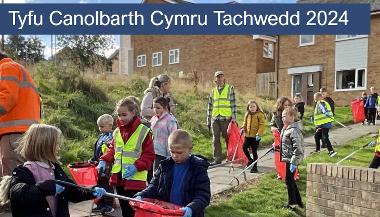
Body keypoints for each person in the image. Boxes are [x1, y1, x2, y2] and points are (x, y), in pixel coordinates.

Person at [3, 124, 106, 217]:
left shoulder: (55, 169)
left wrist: (91, 191)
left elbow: (72, 191)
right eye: (56, 144)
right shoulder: (25, 171)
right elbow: (18, 194)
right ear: (44, 146)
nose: (59, 147)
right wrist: (45, 188)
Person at [98, 97, 155, 217]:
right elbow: (113, 150)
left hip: (136, 180)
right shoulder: (117, 131)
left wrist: (136, 167)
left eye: (124, 114)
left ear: (133, 112)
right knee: (125, 210)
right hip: (119, 179)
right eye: (119, 115)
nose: (121, 118)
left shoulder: (144, 131)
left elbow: (149, 155)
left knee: (135, 212)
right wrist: (103, 160)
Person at [135, 129, 211, 217]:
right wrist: (141, 195)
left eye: (179, 152)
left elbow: (203, 195)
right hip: (166, 213)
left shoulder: (198, 168)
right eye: (172, 151)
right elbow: (153, 186)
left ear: (190, 149)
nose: (175, 155)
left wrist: (191, 208)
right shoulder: (164, 166)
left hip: (186, 214)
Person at [0, 50, 41, 177]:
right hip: (23, 133)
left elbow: (7, 98)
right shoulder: (18, 69)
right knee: (25, 177)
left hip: (13, 134)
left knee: (12, 179)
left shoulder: (6, 67)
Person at [207, 71, 237, 165]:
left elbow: (233, 103)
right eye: (217, 77)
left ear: (224, 78)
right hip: (215, 118)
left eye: (221, 77)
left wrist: (234, 117)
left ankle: (230, 156)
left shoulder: (229, 88)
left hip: (226, 118)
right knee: (215, 139)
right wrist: (208, 119)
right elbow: (210, 106)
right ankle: (217, 159)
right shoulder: (213, 91)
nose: (219, 79)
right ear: (215, 79)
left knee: (227, 138)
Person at [88, 114, 115, 214]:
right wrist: (93, 159)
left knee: (107, 185)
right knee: (99, 185)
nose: (100, 128)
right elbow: (97, 151)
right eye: (99, 126)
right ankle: (100, 204)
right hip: (99, 166)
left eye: (102, 126)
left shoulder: (112, 137)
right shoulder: (101, 137)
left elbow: (111, 152)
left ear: (110, 125)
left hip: (108, 167)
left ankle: (109, 205)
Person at [280, 107, 304, 209]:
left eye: (285, 116)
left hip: (292, 160)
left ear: (292, 116)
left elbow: (298, 148)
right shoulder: (287, 128)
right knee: (291, 180)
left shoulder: (294, 130)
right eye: (282, 117)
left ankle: (292, 203)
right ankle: (298, 202)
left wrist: (294, 162)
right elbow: (286, 143)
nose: (283, 118)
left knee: (289, 180)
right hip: (289, 159)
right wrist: (277, 148)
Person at [150, 97, 179, 173]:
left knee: (161, 174)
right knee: (155, 175)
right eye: (154, 107)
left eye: (158, 108)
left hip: (164, 153)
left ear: (165, 108)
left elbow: (174, 138)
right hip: (153, 151)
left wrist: (171, 154)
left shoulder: (170, 120)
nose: (155, 110)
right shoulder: (153, 119)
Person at [270, 97, 293, 179]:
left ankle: (293, 174)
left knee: (289, 157)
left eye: (288, 105)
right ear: (280, 105)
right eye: (285, 105)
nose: (287, 107)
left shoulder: (292, 114)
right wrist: (274, 129)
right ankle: (280, 173)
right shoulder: (275, 115)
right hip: (279, 138)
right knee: (279, 157)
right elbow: (272, 125)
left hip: (289, 138)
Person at [241, 100, 265, 173]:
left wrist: (259, 134)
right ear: (248, 107)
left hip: (255, 136)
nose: (252, 108)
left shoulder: (260, 115)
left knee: (254, 151)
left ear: (257, 107)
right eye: (250, 106)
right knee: (244, 147)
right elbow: (245, 123)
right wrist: (242, 128)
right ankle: (250, 160)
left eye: (254, 106)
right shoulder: (247, 114)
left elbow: (262, 125)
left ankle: (255, 167)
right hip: (247, 135)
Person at [312, 92, 337, 157]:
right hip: (321, 124)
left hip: (325, 123)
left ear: (320, 97)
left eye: (316, 98)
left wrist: (325, 112)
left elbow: (323, 109)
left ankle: (331, 151)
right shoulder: (318, 103)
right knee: (317, 136)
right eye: (314, 98)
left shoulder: (321, 102)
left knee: (325, 137)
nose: (315, 99)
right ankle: (317, 150)